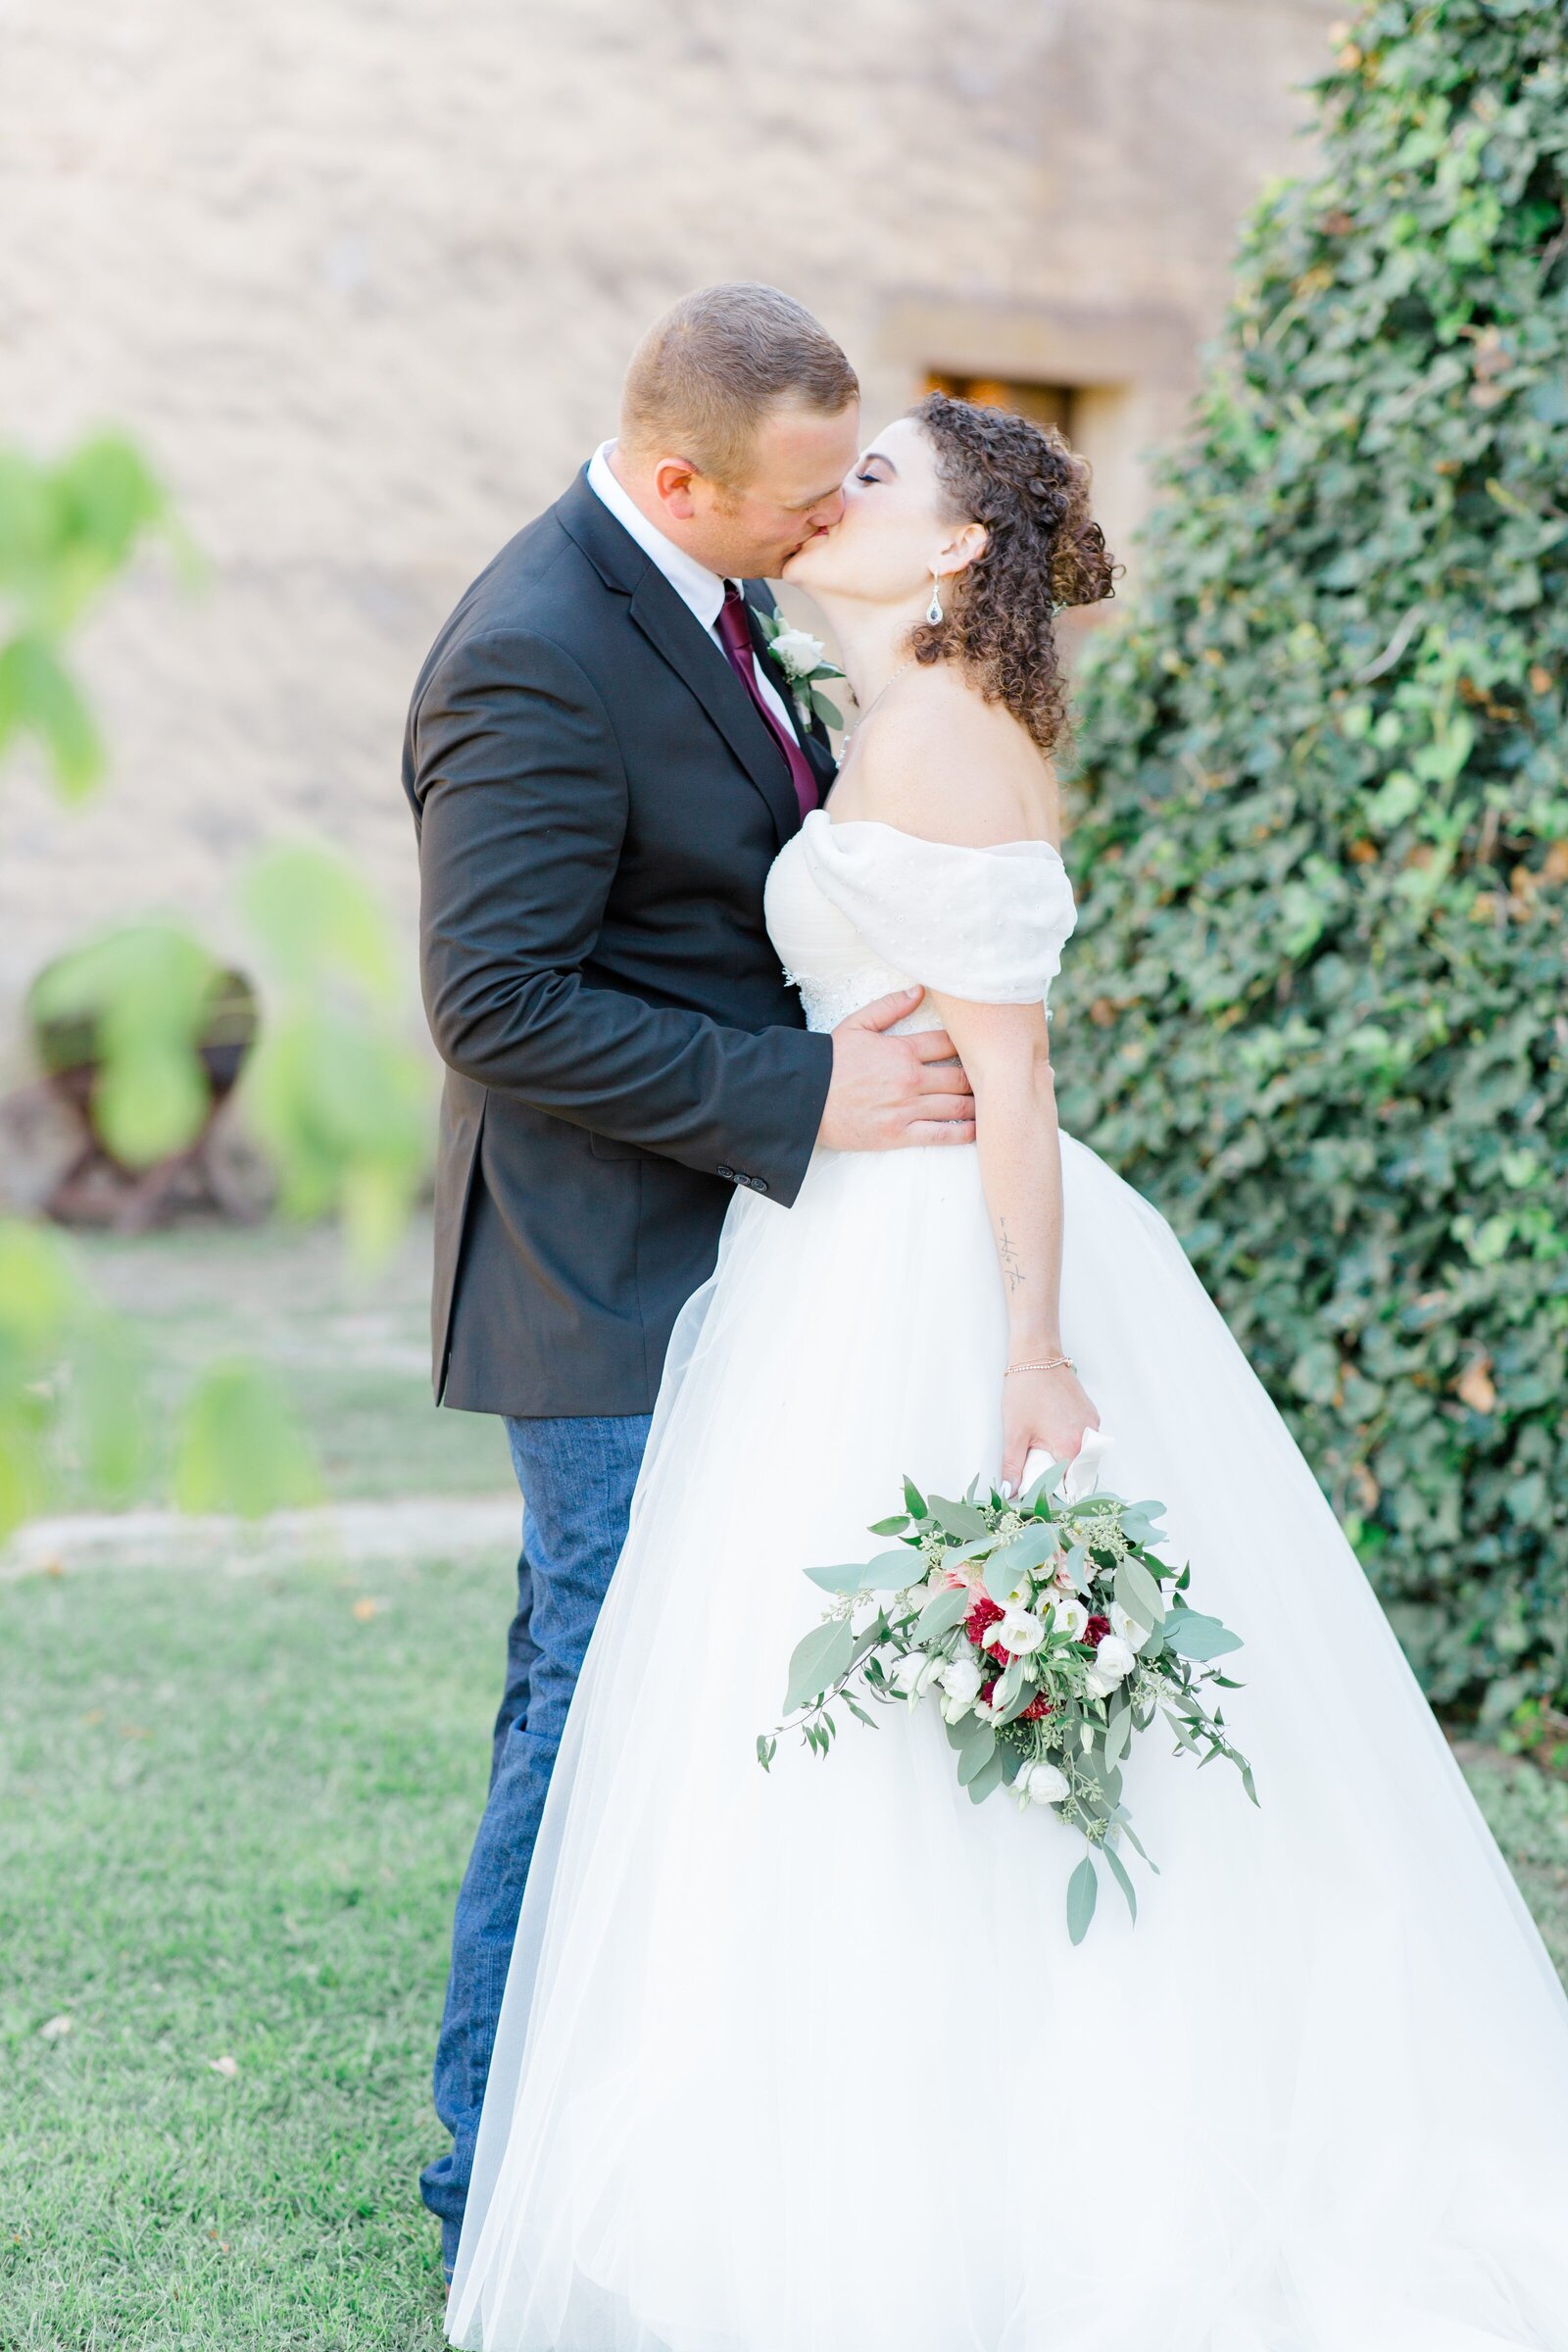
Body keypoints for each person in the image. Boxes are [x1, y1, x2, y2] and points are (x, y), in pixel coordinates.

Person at [446, 389, 1568, 2351]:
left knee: (904, 1700)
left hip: (937, 1275)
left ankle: (1006, 2163)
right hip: (815, 1256)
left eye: (871, 475)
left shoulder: (948, 739)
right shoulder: (869, 707)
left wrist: (1032, 1353)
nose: (833, 494)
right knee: (784, 1723)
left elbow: (1016, 1081)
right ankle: (793, 2139)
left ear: (959, 550)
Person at [403, 284, 981, 2280]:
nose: (827, 526)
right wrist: (804, 1087)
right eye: (802, 498)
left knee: (655, 1707)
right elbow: (494, 1006)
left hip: (736, 1266)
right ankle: (495, 2154)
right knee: (589, 1703)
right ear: (675, 477)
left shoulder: (716, 601)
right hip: (602, 1278)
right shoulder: (535, 651)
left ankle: (618, 2112)